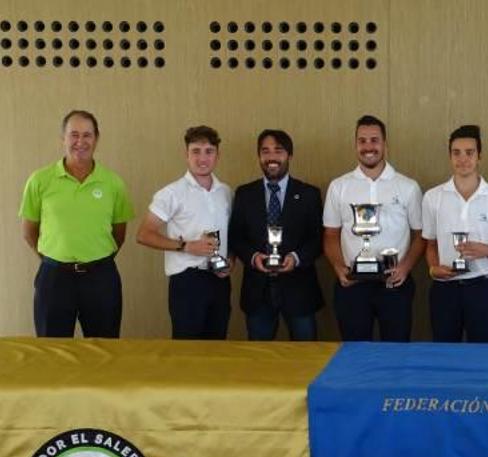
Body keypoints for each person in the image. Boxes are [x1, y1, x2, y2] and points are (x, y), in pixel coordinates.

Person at [19, 110, 134, 338]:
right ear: (63, 139)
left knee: (104, 350)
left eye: (87, 135)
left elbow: (119, 235)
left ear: (96, 139)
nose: (80, 142)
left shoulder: (113, 183)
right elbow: (29, 232)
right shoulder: (39, 180)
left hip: (101, 277)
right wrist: (53, 258)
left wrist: (95, 257)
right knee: (53, 352)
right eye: (73, 135)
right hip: (54, 279)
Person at [323, 115, 424, 341]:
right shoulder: (339, 187)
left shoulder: (408, 186)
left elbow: (420, 236)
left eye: (374, 140)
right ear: (355, 145)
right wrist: (339, 268)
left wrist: (405, 268)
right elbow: (330, 235)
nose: (368, 147)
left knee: (396, 353)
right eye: (362, 141)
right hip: (352, 285)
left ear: (385, 144)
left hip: (394, 282)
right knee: (355, 354)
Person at [136, 126, 233, 340]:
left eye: (209, 151)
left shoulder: (226, 192)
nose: (202, 158)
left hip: (219, 281)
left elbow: (230, 235)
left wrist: (230, 261)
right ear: (186, 154)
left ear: (218, 154)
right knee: (187, 351)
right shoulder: (171, 193)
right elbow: (144, 233)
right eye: (196, 151)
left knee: (218, 346)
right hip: (187, 282)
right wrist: (187, 246)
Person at [228, 129, 324, 340]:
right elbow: (236, 237)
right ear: (259, 157)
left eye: (278, 151)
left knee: (306, 357)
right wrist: (253, 257)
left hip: (299, 290)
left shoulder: (309, 194)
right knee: (259, 359)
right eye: (265, 151)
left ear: (289, 156)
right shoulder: (244, 194)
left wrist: (296, 258)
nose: (271, 157)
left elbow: (318, 240)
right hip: (257, 291)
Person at [422, 125, 488, 342]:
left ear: (480, 155)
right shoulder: (433, 198)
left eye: (469, 152)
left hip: (482, 287)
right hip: (445, 289)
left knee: (482, 354)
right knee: (444, 354)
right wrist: (433, 268)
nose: (463, 159)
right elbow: (430, 244)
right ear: (450, 156)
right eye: (456, 153)